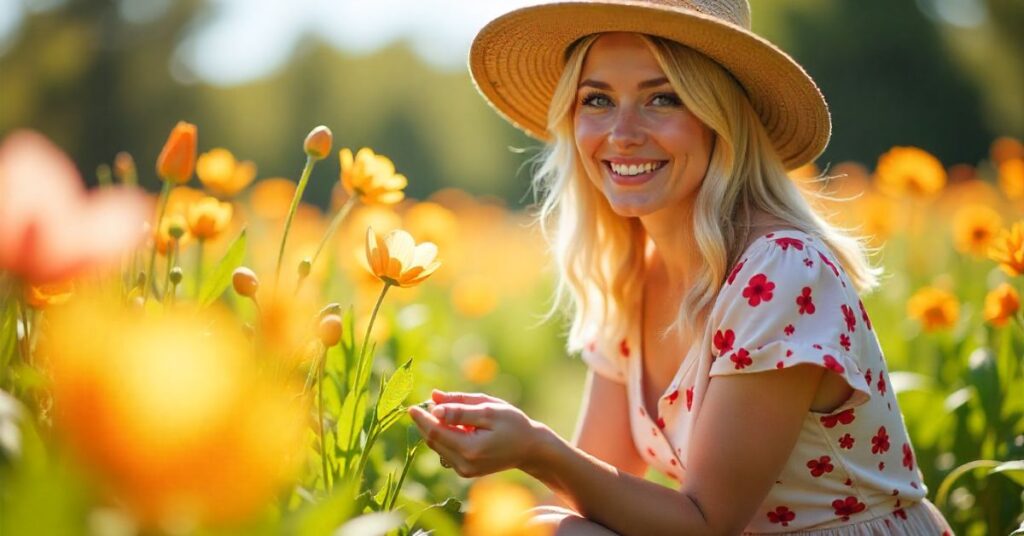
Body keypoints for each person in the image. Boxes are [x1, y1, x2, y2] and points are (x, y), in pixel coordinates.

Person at [407, 0, 954, 533]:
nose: (622, 132)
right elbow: (590, 493)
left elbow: (707, 523)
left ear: (721, 117)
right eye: (596, 100)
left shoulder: (781, 269)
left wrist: (535, 448)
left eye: (663, 98)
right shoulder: (630, 275)